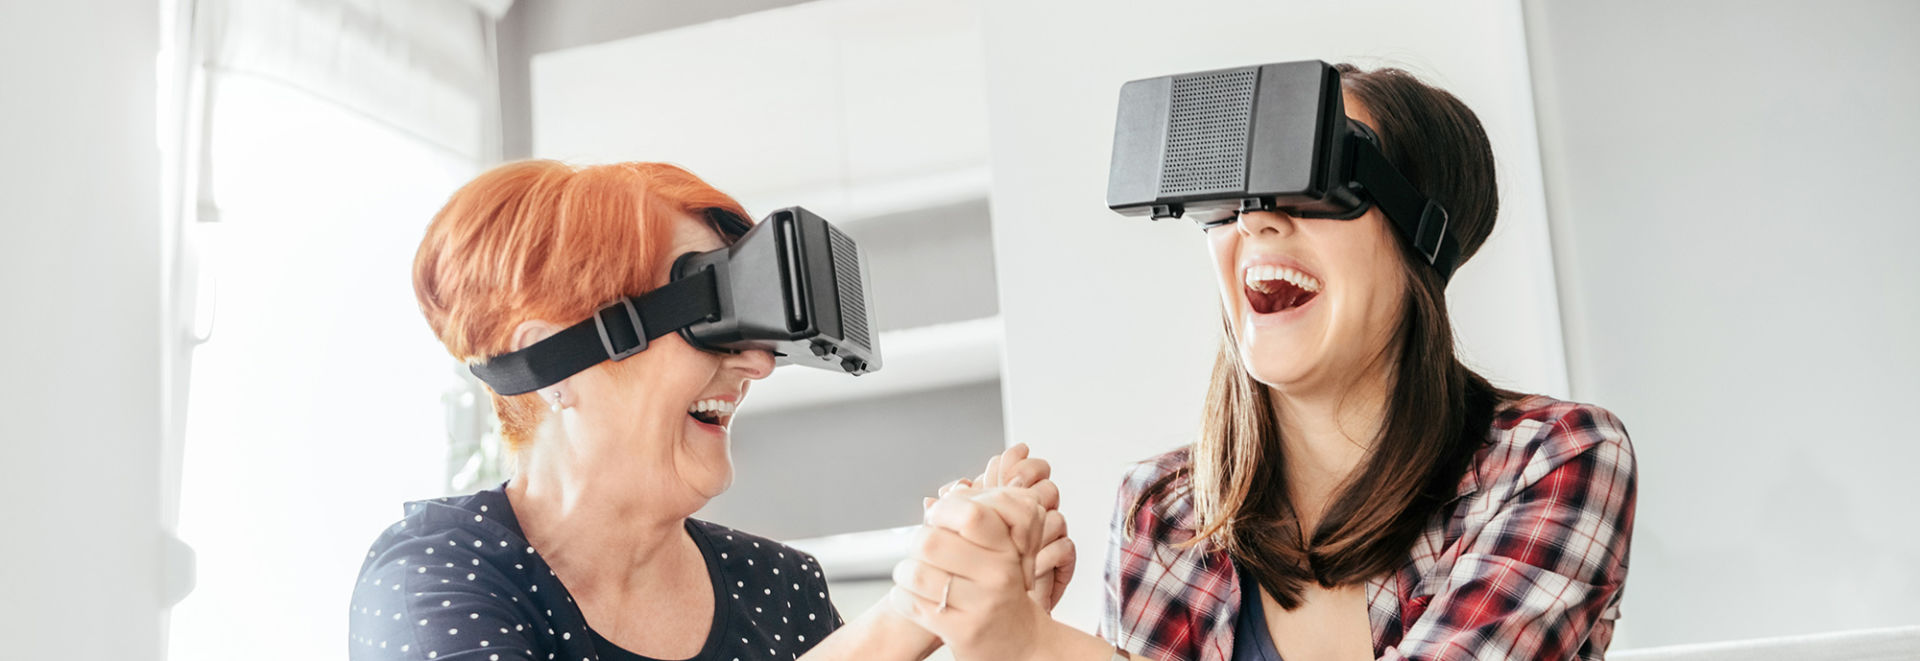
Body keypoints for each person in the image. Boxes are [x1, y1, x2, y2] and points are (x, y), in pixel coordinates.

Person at [889, 64, 1638, 661]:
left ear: (1422, 238)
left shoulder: (1552, 459)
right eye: (1233, 193)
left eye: (1315, 182)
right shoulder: (1163, 510)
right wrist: (984, 590)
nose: (1256, 218)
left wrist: (1037, 651)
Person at [345, 160, 1072, 660]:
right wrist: (907, 614)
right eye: (711, 320)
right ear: (559, 363)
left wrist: (999, 627)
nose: (756, 363)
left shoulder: (782, 585)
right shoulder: (439, 575)